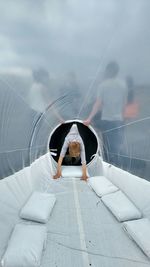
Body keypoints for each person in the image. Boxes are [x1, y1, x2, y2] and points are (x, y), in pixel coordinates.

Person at [84, 61, 128, 166]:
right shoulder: (123, 85)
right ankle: (117, 165)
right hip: (118, 119)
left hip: (107, 119)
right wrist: (123, 118)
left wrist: (89, 118)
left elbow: (98, 103)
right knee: (116, 144)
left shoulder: (103, 85)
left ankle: (109, 166)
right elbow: (124, 104)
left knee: (107, 145)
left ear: (108, 71)